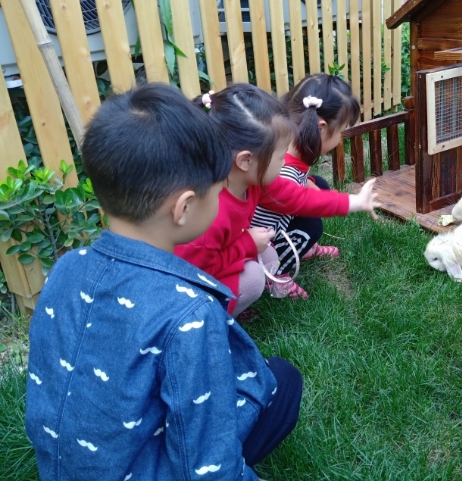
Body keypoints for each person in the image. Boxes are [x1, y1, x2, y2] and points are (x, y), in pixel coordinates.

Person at [25, 83, 302, 481]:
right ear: (185, 207)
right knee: (281, 381)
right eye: (218, 187)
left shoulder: (65, 268)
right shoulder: (189, 312)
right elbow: (204, 466)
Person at [175, 83, 378, 317]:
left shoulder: (253, 183)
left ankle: (230, 302)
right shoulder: (210, 214)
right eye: (281, 156)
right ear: (245, 161)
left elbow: (300, 199)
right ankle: (218, 321)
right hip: (190, 289)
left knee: (269, 256)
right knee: (252, 279)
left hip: (220, 256)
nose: (284, 162)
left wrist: (354, 202)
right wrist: (246, 246)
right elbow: (197, 272)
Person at [251, 73, 360, 297]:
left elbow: (298, 183)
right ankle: (277, 274)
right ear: (321, 127)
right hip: (264, 237)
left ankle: (303, 247)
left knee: (318, 183)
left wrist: (309, 183)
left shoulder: (291, 144)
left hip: (276, 213)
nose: (341, 138)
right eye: (340, 131)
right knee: (312, 226)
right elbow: (298, 196)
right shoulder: (286, 173)